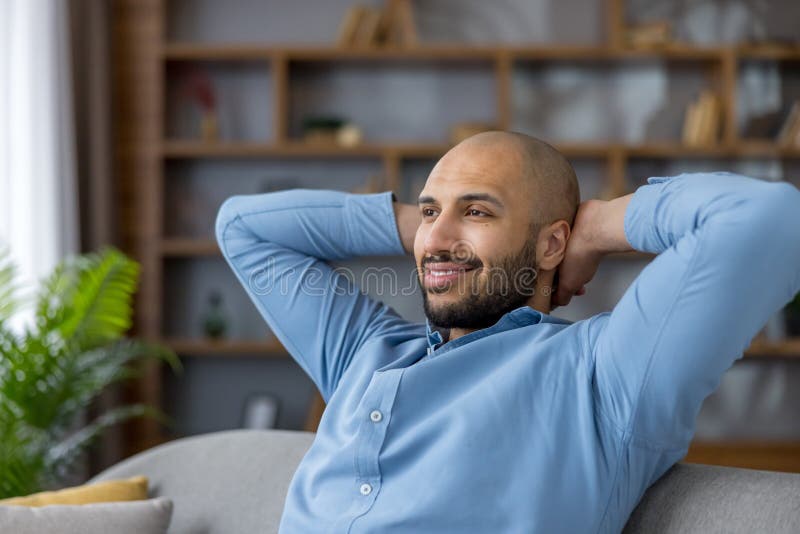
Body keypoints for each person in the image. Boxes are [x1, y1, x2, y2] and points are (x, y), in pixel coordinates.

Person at [216, 131, 800, 533]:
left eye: (478, 211)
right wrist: (427, 228)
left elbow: (767, 220)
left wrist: (595, 227)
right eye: (429, 210)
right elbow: (241, 227)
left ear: (551, 243)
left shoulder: (603, 375)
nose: (438, 236)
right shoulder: (365, 354)